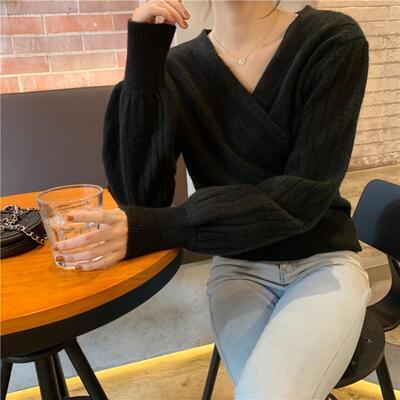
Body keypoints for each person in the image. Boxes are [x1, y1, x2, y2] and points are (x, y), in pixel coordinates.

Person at [53, 1, 372, 398]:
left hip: (323, 263)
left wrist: (168, 226)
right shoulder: (176, 68)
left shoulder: (331, 41)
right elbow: (141, 198)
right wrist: (144, 57)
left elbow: (302, 195)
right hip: (239, 270)